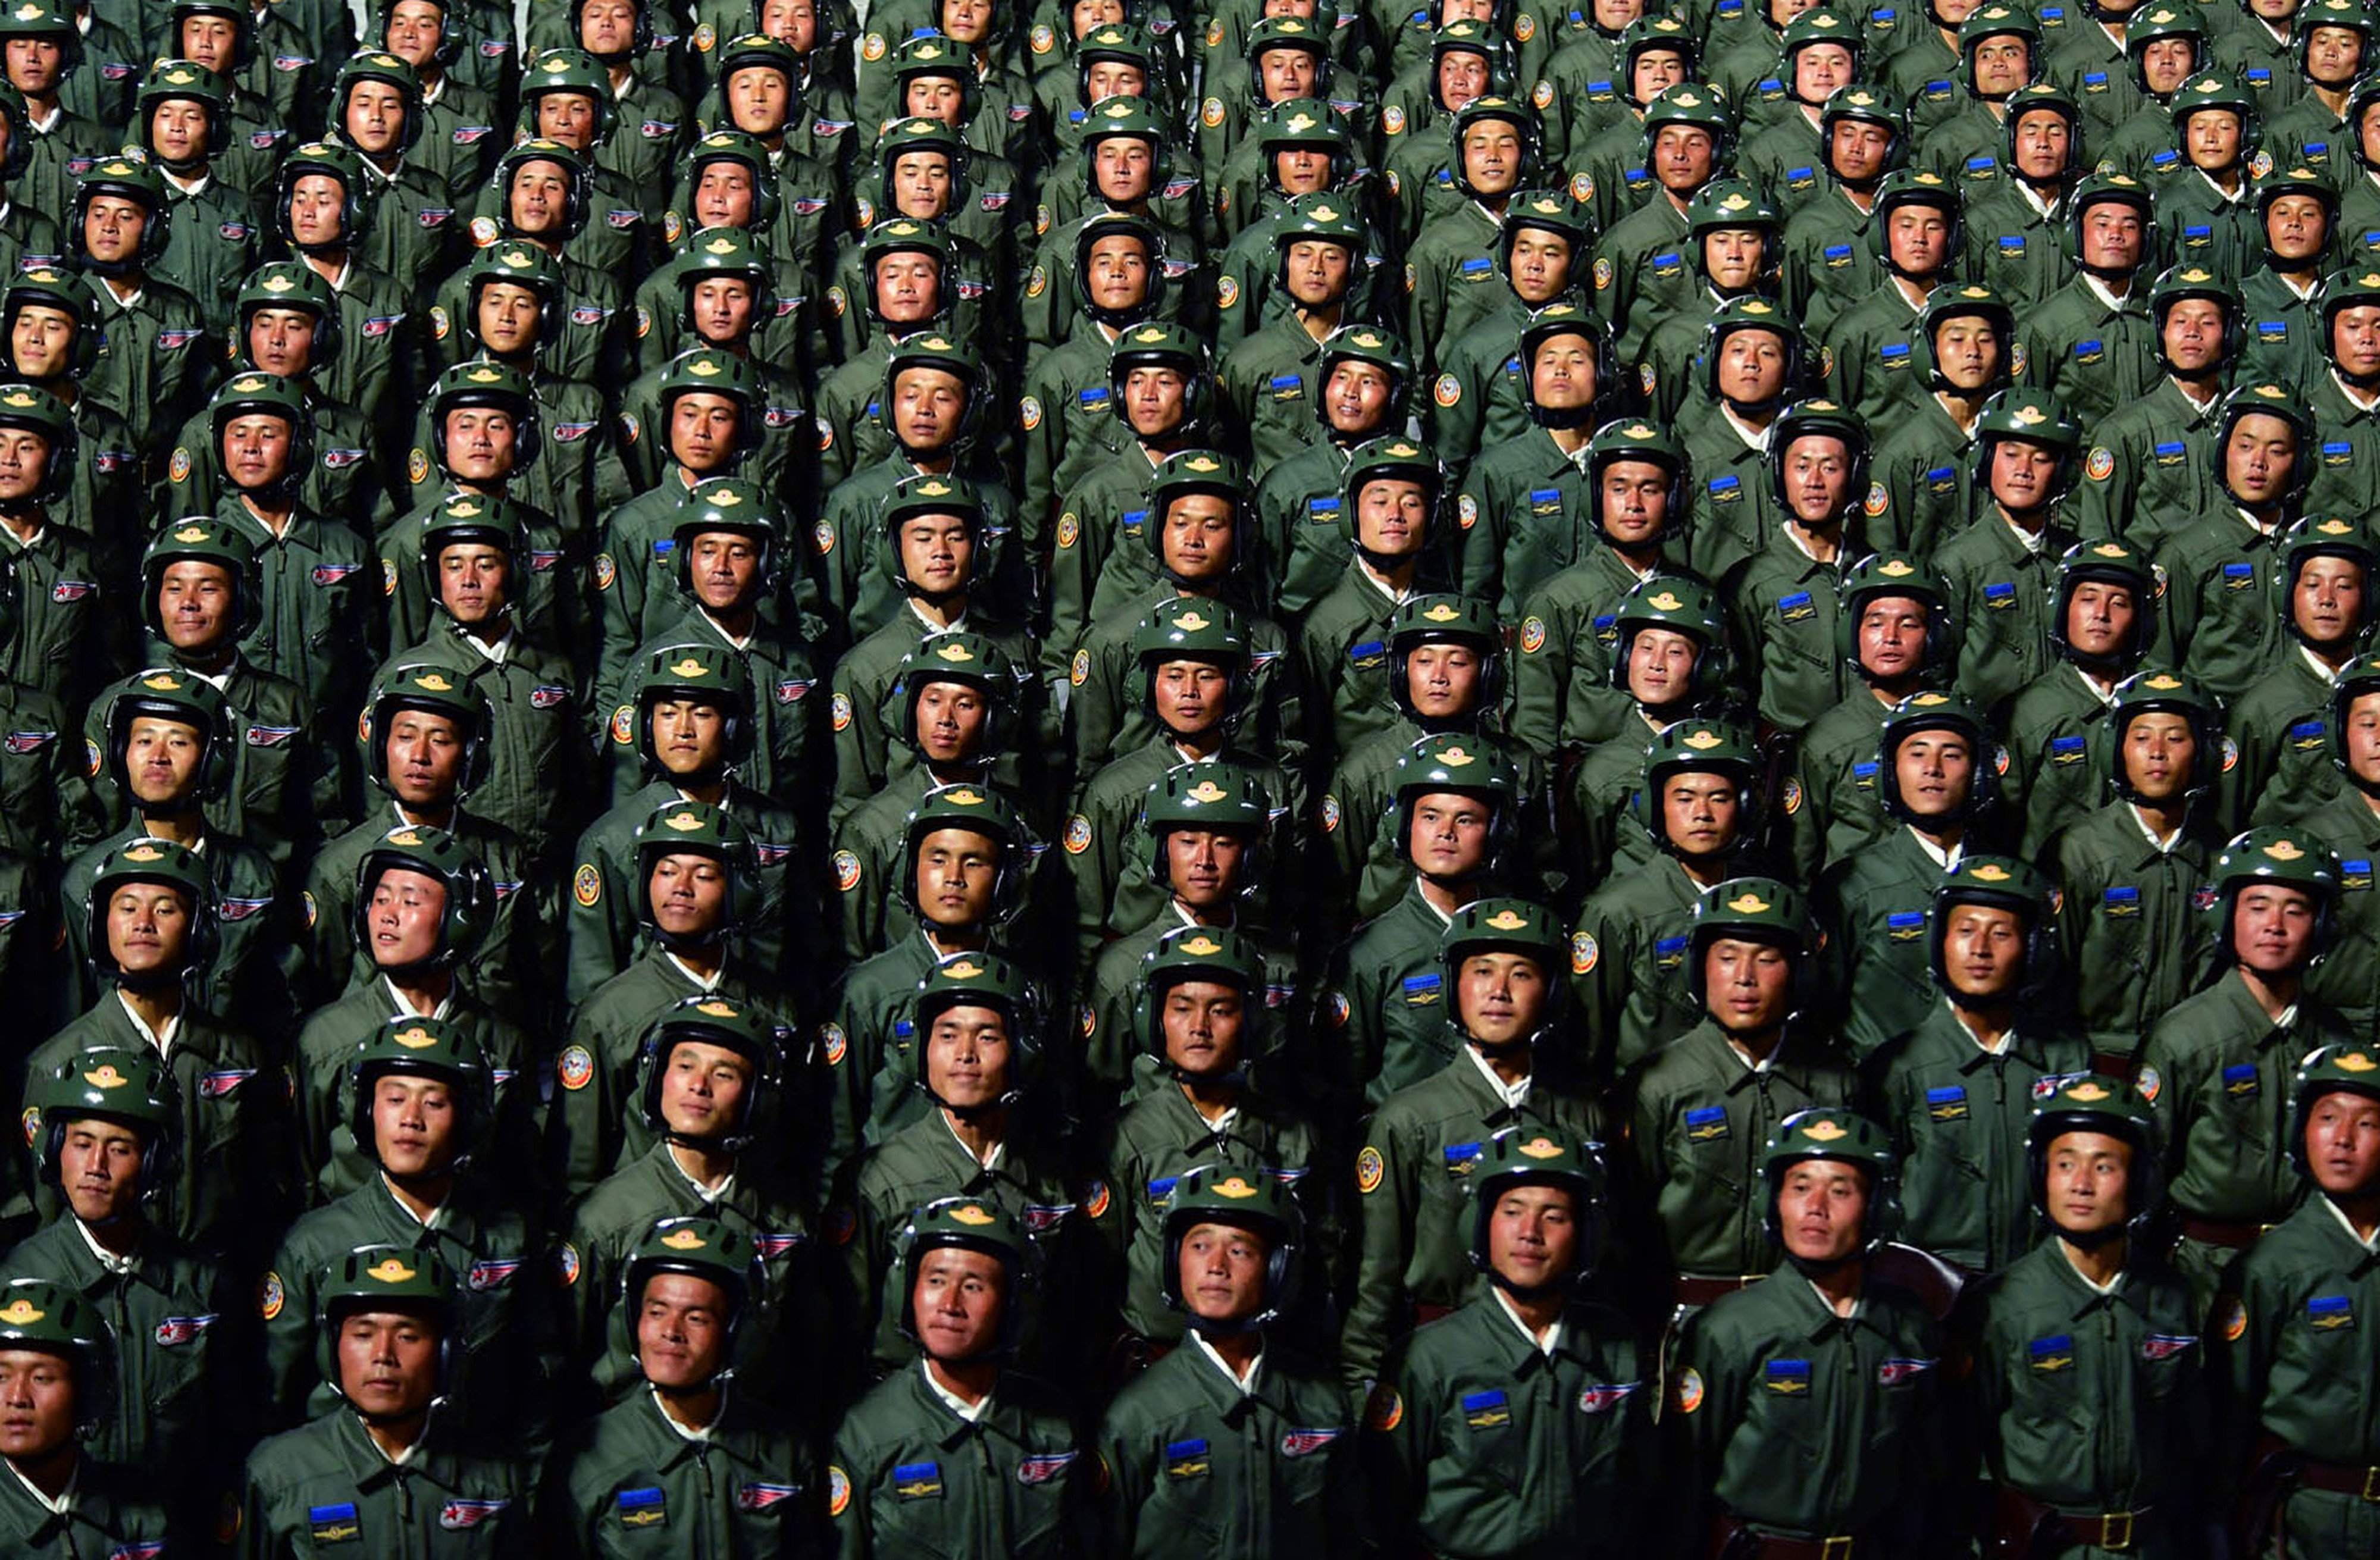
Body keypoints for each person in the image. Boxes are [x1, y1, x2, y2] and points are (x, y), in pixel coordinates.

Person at [1340, 897, 1602, 1396]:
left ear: (1549, 992)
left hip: (1559, 1367)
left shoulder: (1581, 1117)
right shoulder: (1409, 1121)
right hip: (1438, 1366)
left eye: (1521, 975)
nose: (1499, 992)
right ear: (1455, 987)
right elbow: (1375, 1284)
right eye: (1482, 972)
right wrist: (1364, 1392)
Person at [1363, 1131, 1658, 1559]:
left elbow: (1642, 1488)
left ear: (1585, 1234)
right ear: (1481, 1224)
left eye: (1554, 1217)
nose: (1529, 1233)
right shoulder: (1427, 1359)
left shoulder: (1617, 1349)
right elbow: (1384, 1507)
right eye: (1512, 1212)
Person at [259, 1016, 553, 1440]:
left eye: (434, 1103)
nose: (411, 1119)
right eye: (395, 1099)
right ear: (365, 1112)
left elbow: (539, 1384)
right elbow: (278, 1402)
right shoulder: (314, 1246)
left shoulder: (509, 1239)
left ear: (467, 1120)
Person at [1671, 1108, 1947, 1555]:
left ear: (1877, 1206)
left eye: (1840, 1191)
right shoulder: (1728, 1330)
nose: (1815, 1208)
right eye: (1800, 1188)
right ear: (1774, 1201)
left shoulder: (1907, 1328)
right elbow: (1682, 1484)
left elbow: (1928, 1474)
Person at [1970, 1073, 2213, 1558]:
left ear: (2140, 1179)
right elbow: (1963, 1454)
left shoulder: (2172, 1300)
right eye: (2064, 1164)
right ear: (2042, 1175)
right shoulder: (2001, 1306)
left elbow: (2194, 1439)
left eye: (2104, 1167)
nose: (2081, 1185)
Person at [7, 1044, 242, 1524]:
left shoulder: (202, 1286)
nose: (96, 1165)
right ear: (55, 1150)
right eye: (81, 1143)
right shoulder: (15, 1284)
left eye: (120, 1149)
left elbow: (236, 1424)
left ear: (153, 1162)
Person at [2140, 827, 2356, 1310]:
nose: (2274, 925)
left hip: (2315, 1268)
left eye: (2295, 910)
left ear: (2320, 925)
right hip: (2203, 1272)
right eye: (2257, 907)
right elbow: (2146, 1175)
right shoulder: (2184, 1038)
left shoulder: (2337, 1043)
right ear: (2227, 916)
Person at [1095, 1163, 1357, 1559]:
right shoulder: (1136, 1416)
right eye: (1199, 1246)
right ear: (1174, 1259)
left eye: (1240, 1250)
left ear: (1276, 1269)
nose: (1216, 1266)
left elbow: (1352, 1537)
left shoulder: (1322, 1404)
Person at [1624, 877, 1858, 1305]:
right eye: (1727, 958)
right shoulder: (1657, 1084)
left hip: (1799, 1309)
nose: (1745, 979)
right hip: (1684, 1311)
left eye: (1767, 960)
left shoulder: (1834, 1084)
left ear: (1798, 973)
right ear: (1701, 968)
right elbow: (1629, 1222)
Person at [229, 1246, 534, 1558]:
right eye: (363, 1334)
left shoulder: (497, 1479)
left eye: (408, 1336)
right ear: (332, 1349)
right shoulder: (278, 1475)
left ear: (445, 1355)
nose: (383, 1355)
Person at [825, 1198, 1086, 1560]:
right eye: (935, 1280)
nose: (949, 1304)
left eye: (974, 1287)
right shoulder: (866, 1436)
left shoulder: (1056, 1428)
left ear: (1011, 1304)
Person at [547, 1216, 820, 1558]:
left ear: (738, 1332)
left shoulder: (786, 1453)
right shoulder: (590, 1460)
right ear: (632, 1321)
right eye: (657, 1312)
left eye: (696, 1318)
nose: (671, 1332)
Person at [1869, 856, 2091, 1274]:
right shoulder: (1899, 1066)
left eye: (2002, 934)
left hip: (2042, 1279)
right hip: (1934, 1286)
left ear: (2031, 947)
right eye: (1965, 931)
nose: (1981, 950)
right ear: (1940, 941)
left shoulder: (2068, 1059)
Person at [2221, 1042, 2380, 1560]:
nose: (2342, 1140)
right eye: (2327, 1118)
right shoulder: (2271, 1266)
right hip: (2304, 1520)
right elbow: (2230, 1413)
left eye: (2368, 1124)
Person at [0, 1275, 175, 1556]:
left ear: (88, 1391)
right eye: (1, 1377)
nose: (17, 1398)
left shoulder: (150, 1515)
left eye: (42, 1378)